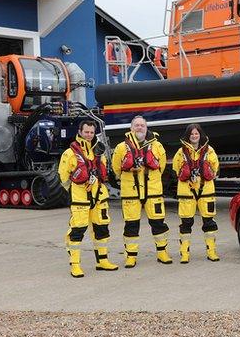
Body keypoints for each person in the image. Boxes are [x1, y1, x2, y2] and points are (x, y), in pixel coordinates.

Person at [57, 119, 116, 278]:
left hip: (99, 198)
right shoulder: (69, 154)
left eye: (91, 132)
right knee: (78, 230)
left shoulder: (99, 151)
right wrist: (73, 191)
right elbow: (63, 177)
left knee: (102, 229)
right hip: (80, 198)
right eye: (86, 132)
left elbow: (103, 173)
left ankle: (102, 261)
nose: (89, 135)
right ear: (80, 132)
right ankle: (75, 265)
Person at [112, 116, 171, 267]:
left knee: (158, 223)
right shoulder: (121, 147)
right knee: (131, 224)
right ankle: (131, 256)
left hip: (153, 191)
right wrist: (130, 171)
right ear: (131, 128)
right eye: (136, 125)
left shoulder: (157, 146)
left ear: (146, 128)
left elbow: (162, 166)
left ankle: (162, 252)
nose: (139, 128)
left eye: (142, 125)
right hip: (131, 192)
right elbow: (116, 169)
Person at [171, 123, 221, 263]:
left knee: (209, 222)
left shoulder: (210, 150)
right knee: (186, 222)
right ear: (188, 136)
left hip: (206, 190)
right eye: (192, 134)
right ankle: (184, 254)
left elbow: (215, 168)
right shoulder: (180, 152)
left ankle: (211, 252)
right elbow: (176, 169)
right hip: (187, 191)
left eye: (196, 133)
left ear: (201, 135)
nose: (194, 136)